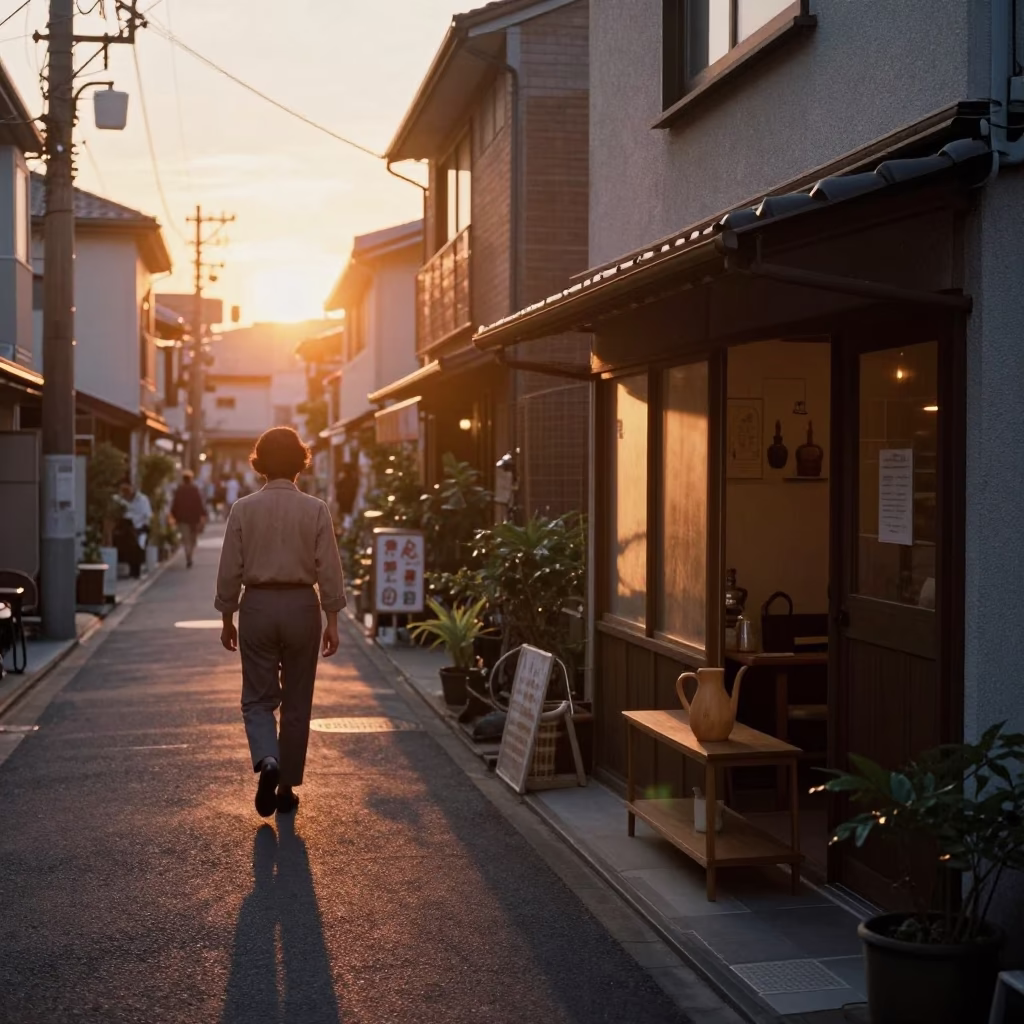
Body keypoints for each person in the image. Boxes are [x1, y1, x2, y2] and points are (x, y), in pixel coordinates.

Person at [215, 427, 346, 818]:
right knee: (297, 699)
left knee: (257, 697)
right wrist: (333, 619)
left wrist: (227, 616)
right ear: (299, 463)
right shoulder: (316, 508)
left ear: (259, 464)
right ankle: (286, 786)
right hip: (303, 606)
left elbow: (228, 571)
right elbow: (330, 570)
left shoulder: (242, 509)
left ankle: (267, 758)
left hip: (256, 607)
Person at [169, 470, 208, 569]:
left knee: (186, 539)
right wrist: (203, 514)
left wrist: (173, 515)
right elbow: (200, 503)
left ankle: (188, 555)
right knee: (193, 538)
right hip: (194, 518)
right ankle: (190, 555)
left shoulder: (179, 490)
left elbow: (175, 504)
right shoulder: (195, 489)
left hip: (182, 518)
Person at [114, 481, 152, 580]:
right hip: (126, 528)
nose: (126, 493)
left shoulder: (142, 500)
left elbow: (147, 515)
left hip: (140, 527)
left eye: (127, 490)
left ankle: (136, 570)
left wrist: (140, 527)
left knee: (138, 545)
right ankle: (130, 569)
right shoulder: (120, 500)